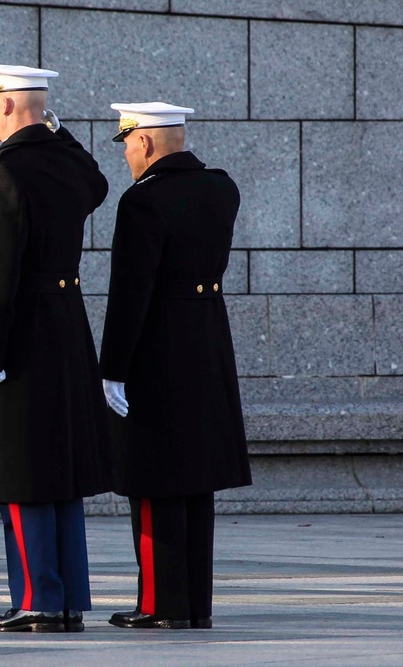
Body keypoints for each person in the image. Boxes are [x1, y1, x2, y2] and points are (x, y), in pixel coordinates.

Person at [0, 64, 114, 633]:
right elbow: (98, 182)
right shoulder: (63, 164)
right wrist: (60, 128)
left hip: (22, 334)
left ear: (6, 106)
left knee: (23, 472)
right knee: (61, 472)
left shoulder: (0, 172)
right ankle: (70, 599)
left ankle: (36, 601)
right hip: (67, 329)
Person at [100, 102, 253, 630]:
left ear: (144, 141)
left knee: (155, 480)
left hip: (157, 349)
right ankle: (194, 604)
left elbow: (130, 292)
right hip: (207, 342)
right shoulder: (221, 187)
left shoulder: (143, 201)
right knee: (196, 481)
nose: (124, 154)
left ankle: (160, 604)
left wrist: (112, 366)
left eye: (126, 143)